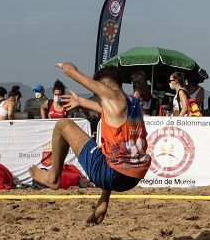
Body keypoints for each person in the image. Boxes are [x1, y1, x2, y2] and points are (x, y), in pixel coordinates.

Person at [29, 63, 151, 224]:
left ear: (105, 85)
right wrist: (81, 101)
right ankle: (103, 202)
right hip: (133, 176)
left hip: (111, 174)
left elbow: (76, 75)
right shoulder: (132, 102)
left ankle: (53, 177)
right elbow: (104, 109)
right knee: (111, 151)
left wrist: (68, 68)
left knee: (63, 125)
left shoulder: (112, 95)